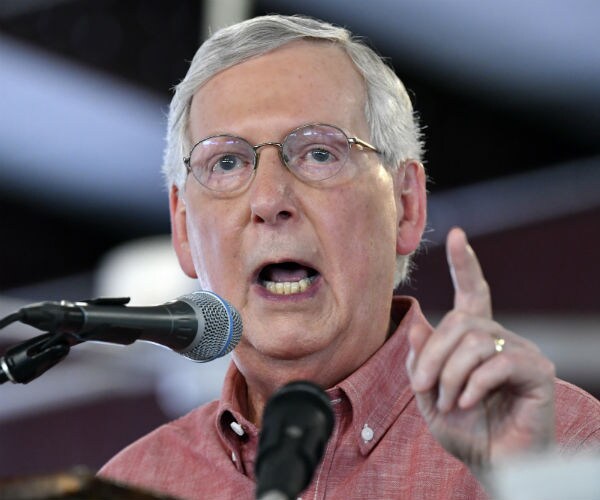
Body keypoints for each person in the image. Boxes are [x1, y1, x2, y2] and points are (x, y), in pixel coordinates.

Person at [99, 14, 600, 499]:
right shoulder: (135, 485)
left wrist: (529, 487)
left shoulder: (561, 448)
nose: (270, 199)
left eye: (319, 153)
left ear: (405, 206)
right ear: (183, 228)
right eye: (227, 162)